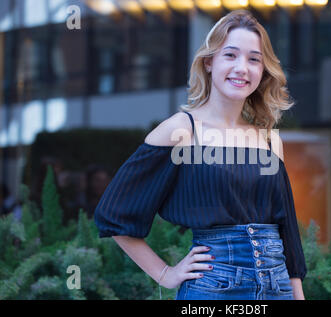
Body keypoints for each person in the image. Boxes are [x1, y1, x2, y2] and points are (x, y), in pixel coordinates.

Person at [94, 9, 307, 300]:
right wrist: (165, 274)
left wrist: (297, 295)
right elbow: (114, 214)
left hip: (277, 286)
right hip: (213, 287)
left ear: (263, 69)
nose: (242, 68)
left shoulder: (268, 139)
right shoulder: (180, 130)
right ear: (209, 62)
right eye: (230, 55)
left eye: (254, 59)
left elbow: (288, 232)